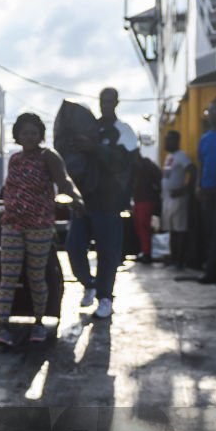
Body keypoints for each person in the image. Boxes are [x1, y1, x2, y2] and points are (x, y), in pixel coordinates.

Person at [0, 113, 83, 346]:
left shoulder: (48, 156)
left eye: (34, 132)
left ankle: (38, 323)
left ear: (41, 134)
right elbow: (9, 188)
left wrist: (76, 198)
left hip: (40, 227)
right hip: (12, 224)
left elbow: (64, 180)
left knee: (36, 276)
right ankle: (3, 325)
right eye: (25, 132)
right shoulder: (14, 159)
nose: (29, 137)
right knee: (8, 276)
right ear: (17, 135)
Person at [66, 87, 139, 319]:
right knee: (74, 246)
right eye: (102, 101)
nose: (105, 104)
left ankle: (105, 297)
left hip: (109, 203)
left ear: (117, 102)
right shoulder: (89, 128)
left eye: (110, 101)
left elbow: (124, 164)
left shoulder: (124, 131)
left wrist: (95, 148)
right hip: (83, 201)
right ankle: (89, 284)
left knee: (108, 253)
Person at [160, 130, 196, 270]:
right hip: (168, 200)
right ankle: (173, 259)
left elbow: (192, 170)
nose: (166, 142)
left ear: (176, 141)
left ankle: (180, 261)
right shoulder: (169, 157)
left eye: (169, 140)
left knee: (179, 231)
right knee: (172, 231)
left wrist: (184, 190)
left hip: (178, 200)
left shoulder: (181, 156)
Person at [198, 100, 216, 284]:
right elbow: (201, 165)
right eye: (210, 111)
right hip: (208, 190)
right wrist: (199, 185)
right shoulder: (205, 139)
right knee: (210, 231)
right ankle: (210, 269)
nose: (212, 114)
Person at [131, 151, 161, 264]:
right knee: (139, 227)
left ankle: (147, 253)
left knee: (143, 227)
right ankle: (144, 251)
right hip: (138, 200)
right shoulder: (134, 165)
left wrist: (155, 190)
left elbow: (158, 176)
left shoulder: (146, 164)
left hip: (146, 200)